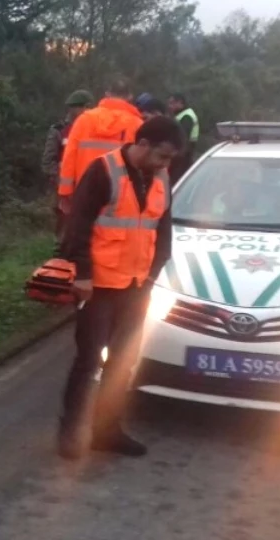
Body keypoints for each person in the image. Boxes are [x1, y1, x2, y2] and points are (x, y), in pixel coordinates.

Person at [57, 116, 183, 460]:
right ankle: (70, 432)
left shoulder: (161, 178)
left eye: (170, 159)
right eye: (163, 156)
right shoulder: (103, 171)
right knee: (87, 362)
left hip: (136, 285)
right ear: (142, 145)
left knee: (122, 362)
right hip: (98, 286)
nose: (165, 164)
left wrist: (155, 272)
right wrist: (81, 273)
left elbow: (163, 231)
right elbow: (78, 227)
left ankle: (106, 431)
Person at [57, 77, 143, 226]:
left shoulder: (84, 120)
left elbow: (69, 158)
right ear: (130, 96)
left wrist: (65, 192)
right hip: (121, 196)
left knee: (83, 236)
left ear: (107, 93)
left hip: (84, 192)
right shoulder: (137, 125)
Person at [42, 90, 95, 241]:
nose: (77, 111)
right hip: (65, 188)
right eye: (75, 107)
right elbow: (47, 161)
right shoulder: (59, 130)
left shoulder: (95, 129)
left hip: (89, 186)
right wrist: (60, 182)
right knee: (64, 226)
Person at [167, 93, 200, 184]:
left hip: (183, 157)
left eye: (172, 103)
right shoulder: (181, 115)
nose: (170, 106)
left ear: (181, 103)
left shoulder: (187, 116)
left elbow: (182, 136)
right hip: (182, 155)